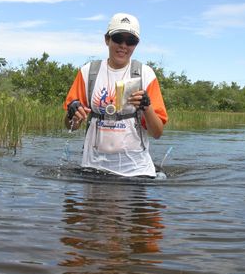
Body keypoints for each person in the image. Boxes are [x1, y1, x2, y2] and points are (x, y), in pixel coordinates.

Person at [63, 13, 168, 178]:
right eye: (118, 38)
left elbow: (157, 133)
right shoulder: (88, 72)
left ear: (136, 44)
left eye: (131, 41)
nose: (123, 46)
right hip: (93, 168)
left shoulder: (146, 74)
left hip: (137, 171)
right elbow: (71, 125)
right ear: (107, 39)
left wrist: (146, 107)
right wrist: (72, 115)